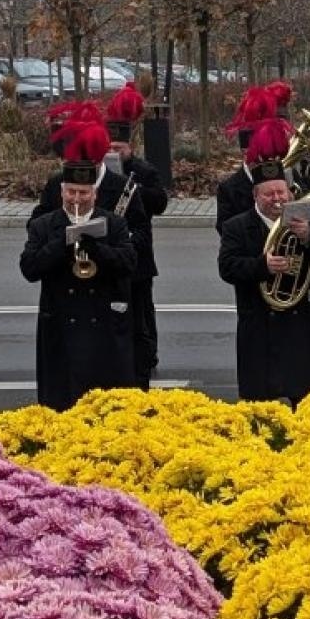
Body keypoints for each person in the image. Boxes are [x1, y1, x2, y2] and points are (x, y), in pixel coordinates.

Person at [217, 117, 310, 405]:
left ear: (290, 192)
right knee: (262, 405)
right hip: (261, 324)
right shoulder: (237, 226)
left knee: (308, 400)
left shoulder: (302, 217)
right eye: (269, 194)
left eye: (281, 192)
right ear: (255, 196)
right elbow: (227, 267)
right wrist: (263, 266)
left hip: (302, 324)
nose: (276, 199)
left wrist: (309, 237)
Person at [21, 116, 141, 408]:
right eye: (71, 192)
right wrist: (62, 243)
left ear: (94, 194)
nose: (77, 199)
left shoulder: (113, 223)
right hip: (61, 324)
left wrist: (95, 247)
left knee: (103, 403)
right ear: (62, 191)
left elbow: (129, 263)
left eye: (84, 193)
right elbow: (29, 268)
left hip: (102, 326)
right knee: (62, 400)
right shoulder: (44, 225)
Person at [105, 83, 168, 389]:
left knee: (143, 308)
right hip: (113, 251)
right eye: (111, 148)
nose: (115, 153)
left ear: (129, 148)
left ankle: (149, 355)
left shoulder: (143, 170)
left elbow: (160, 202)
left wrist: (135, 190)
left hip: (139, 253)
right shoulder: (102, 173)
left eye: (120, 149)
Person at [217, 85, 278, 233]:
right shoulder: (228, 189)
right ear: (245, 153)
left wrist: (306, 232)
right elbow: (226, 232)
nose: (267, 158)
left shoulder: (286, 180)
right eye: (260, 152)